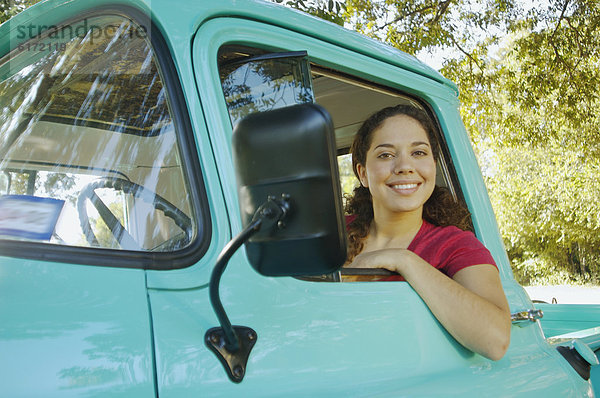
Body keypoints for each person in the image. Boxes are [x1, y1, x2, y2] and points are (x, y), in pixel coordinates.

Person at [344, 104, 511, 361]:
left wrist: (404, 260)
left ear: (433, 166)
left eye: (419, 152)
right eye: (386, 155)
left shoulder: (456, 245)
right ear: (363, 173)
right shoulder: (333, 231)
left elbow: (495, 341)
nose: (405, 166)